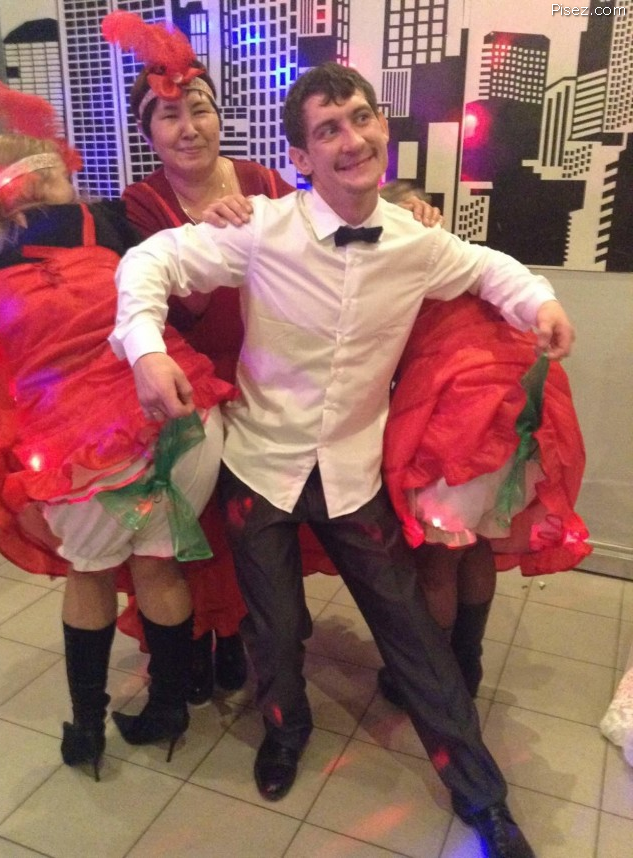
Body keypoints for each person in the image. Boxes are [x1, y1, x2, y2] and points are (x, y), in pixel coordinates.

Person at [110, 62, 577, 857]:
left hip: (354, 476)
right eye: (328, 129)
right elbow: (149, 263)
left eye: (361, 118)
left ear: (381, 128)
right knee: (274, 629)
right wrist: (146, 349)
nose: (352, 139)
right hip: (261, 465)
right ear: (300, 156)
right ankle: (284, 732)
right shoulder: (262, 227)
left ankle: (483, 796)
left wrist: (540, 300)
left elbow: (486, 267)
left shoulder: (416, 243)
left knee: (413, 636)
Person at [102, 9, 442, 707]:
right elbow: (160, 287)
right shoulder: (141, 203)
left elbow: (333, 228)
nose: (188, 127)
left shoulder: (262, 181)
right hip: (191, 381)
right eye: (168, 116)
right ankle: (197, 659)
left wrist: (408, 211)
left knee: (257, 551)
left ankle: (242, 644)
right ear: (148, 133)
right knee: (191, 537)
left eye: (199, 109)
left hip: (276, 380)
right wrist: (210, 238)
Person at [0, 85, 236, 780]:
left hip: (86, 454)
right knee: (158, 563)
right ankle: (169, 710)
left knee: (91, 575)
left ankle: (86, 729)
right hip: (185, 421)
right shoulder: (109, 223)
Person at [376, 181, 591, 705]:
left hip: (463, 425)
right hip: (525, 421)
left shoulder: (399, 270)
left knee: (438, 562)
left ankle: (435, 683)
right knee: (475, 544)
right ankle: (465, 665)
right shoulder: (469, 266)